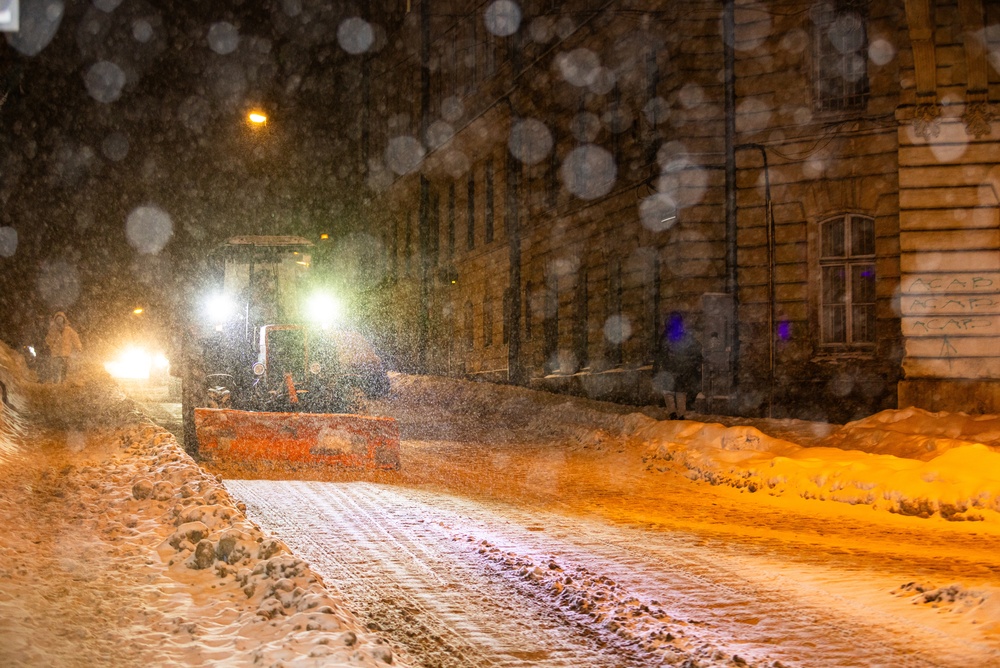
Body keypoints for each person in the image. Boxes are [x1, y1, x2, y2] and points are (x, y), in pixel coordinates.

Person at [653, 311, 702, 419]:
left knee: (668, 391)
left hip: (669, 369)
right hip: (682, 368)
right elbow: (696, 349)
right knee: (680, 391)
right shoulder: (684, 336)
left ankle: (672, 412)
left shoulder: (665, 336)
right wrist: (691, 363)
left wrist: (657, 368)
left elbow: (660, 353)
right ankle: (681, 414)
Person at [45, 311, 83, 383]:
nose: (59, 320)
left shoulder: (69, 330)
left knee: (64, 368)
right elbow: (48, 339)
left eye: (60, 319)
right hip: (56, 353)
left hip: (66, 352)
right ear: (55, 320)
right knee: (56, 367)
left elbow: (75, 338)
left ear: (63, 320)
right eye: (57, 319)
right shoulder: (53, 330)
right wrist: (49, 344)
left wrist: (78, 347)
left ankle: (63, 381)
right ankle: (56, 381)